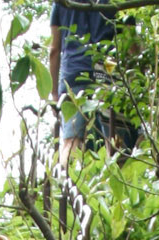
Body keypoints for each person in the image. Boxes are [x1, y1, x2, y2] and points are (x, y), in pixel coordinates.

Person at [49, 3, 117, 164]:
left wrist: (53, 93)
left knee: (71, 139)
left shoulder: (61, 3)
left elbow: (54, 49)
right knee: (111, 137)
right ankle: (112, 182)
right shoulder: (111, 2)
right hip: (105, 72)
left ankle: (68, 183)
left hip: (73, 74)